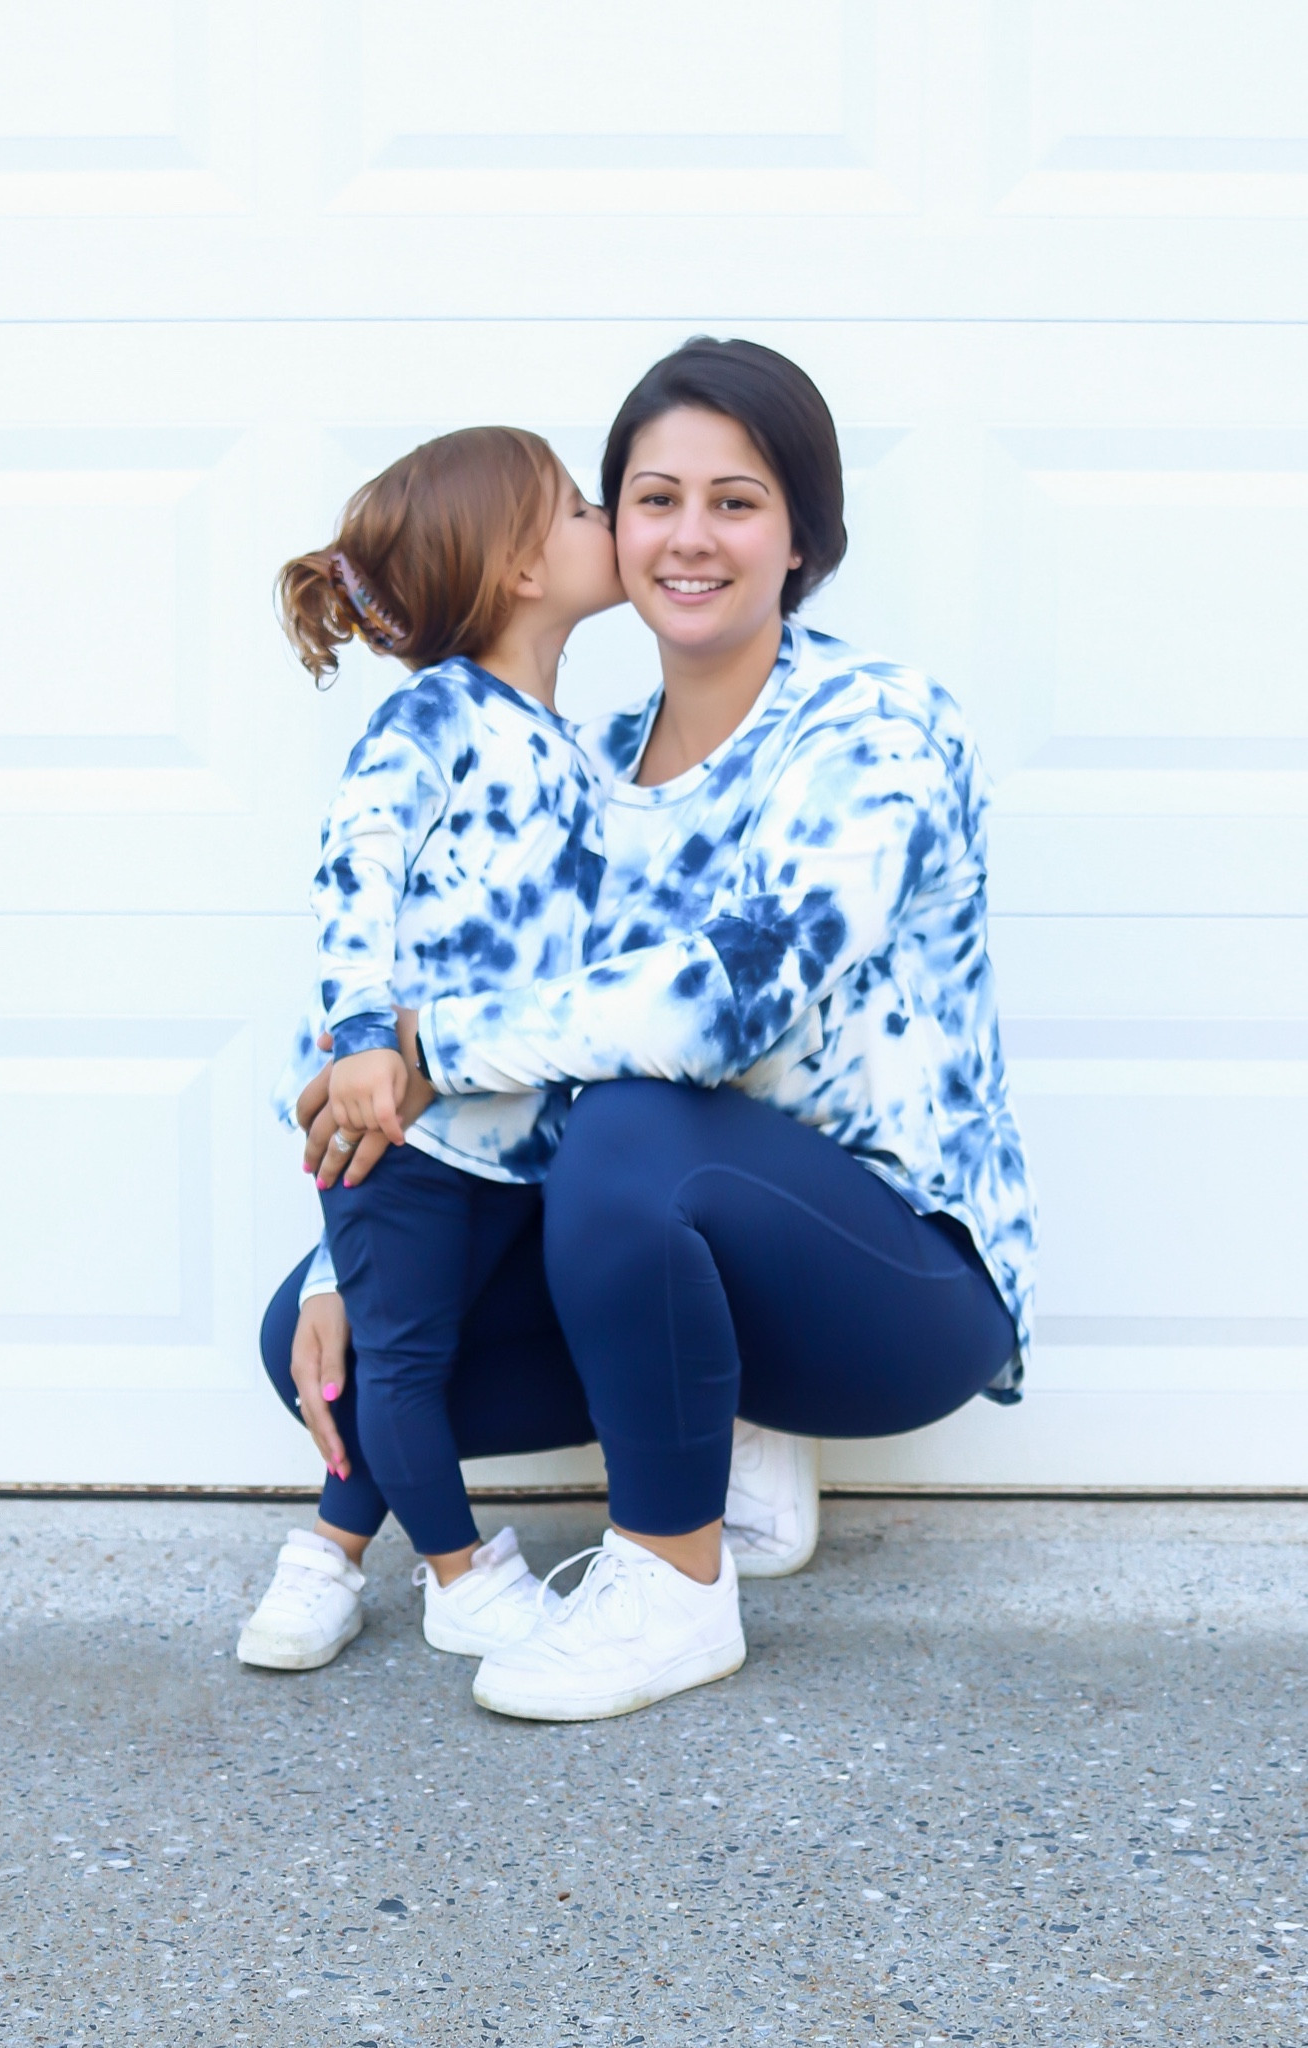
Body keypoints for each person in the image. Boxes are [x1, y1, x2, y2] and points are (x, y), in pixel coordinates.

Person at [290, 337, 1039, 1723]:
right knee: (346, 1324)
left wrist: (422, 1042)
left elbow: (723, 1007)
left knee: (635, 1125)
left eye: (735, 501)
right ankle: (724, 1433)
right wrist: (354, 1216)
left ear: (802, 537)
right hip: (671, 1222)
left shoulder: (873, 730)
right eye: (650, 497)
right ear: (609, 524)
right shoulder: (581, 765)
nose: (687, 536)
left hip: (896, 1280)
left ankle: (673, 1582)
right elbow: (520, 1029)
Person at [236, 427, 622, 1673]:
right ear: (517, 568)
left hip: (517, 1138)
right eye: (577, 508)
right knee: (401, 1358)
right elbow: (356, 872)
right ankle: (461, 1580)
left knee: (428, 1358)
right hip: (410, 1126)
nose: (606, 516)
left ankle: (327, 1551)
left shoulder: (572, 744)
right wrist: (359, 1038)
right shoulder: (436, 718)